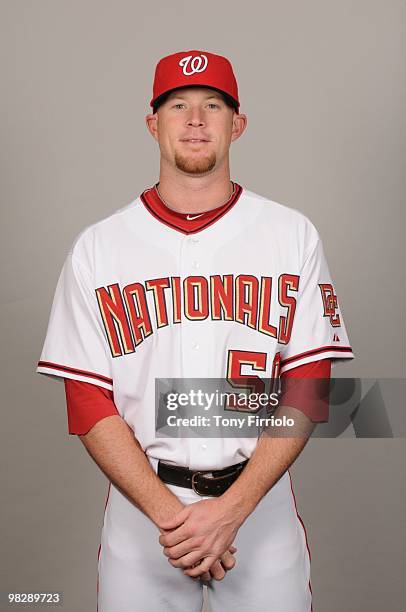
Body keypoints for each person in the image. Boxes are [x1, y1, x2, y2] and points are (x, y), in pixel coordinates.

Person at [37, 49, 354, 612]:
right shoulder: (98, 247)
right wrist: (172, 518)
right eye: (178, 105)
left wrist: (231, 511)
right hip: (144, 514)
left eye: (213, 104)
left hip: (258, 508)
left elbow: (310, 383)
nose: (196, 119)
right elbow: (86, 400)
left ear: (239, 124)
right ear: (153, 123)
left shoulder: (291, 234)